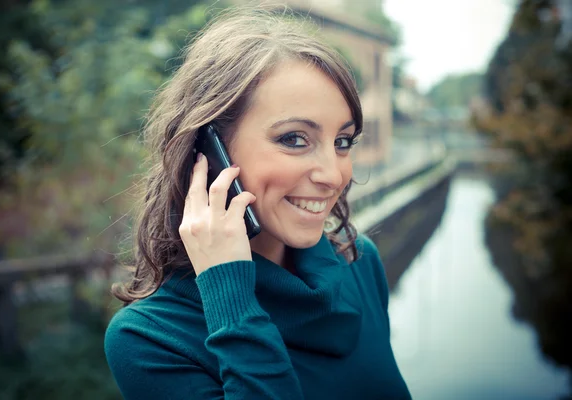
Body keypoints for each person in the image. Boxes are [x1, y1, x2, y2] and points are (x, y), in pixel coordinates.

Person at [104, 7, 411, 400]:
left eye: (343, 141)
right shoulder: (150, 339)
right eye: (294, 139)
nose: (334, 175)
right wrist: (230, 297)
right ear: (208, 152)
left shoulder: (359, 262)